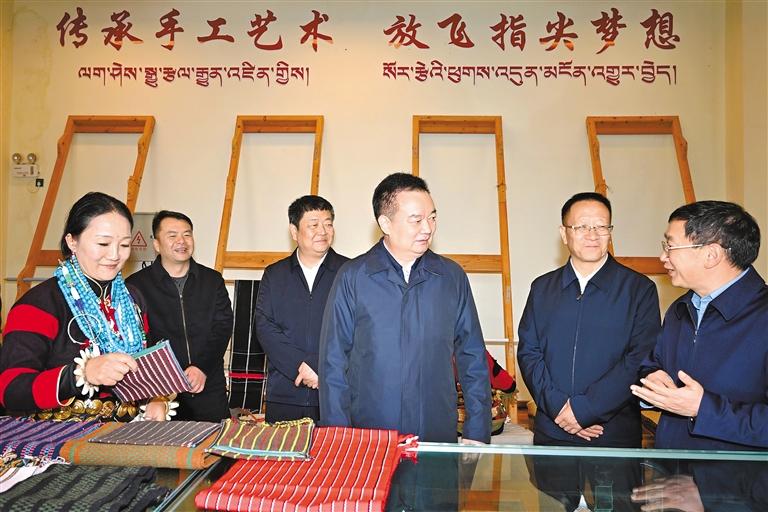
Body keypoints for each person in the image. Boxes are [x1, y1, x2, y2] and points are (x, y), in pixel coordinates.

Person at [319, 172, 491, 444]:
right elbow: (333, 362)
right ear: (385, 223)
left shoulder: (450, 277)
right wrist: (338, 438)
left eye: (432, 218)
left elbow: (472, 355)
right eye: (416, 220)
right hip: (371, 436)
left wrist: (478, 429)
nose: (428, 228)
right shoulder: (354, 277)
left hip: (436, 431)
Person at [0, 192, 168, 421]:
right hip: (58, 436)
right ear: (72, 241)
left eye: (124, 244)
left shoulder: (132, 299)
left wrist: (155, 398)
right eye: (103, 243)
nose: (115, 255)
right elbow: (11, 389)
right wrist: (81, 374)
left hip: (124, 432)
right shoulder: (40, 304)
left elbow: (145, 364)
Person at [518, 192, 661, 447]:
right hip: (553, 428)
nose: (592, 235)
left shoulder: (639, 289)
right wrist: (559, 408)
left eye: (601, 226)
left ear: (610, 232)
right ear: (564, 234)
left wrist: (585, 411)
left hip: (612, 433)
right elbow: (529, 352)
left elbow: (639, 358)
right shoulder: (542, 288)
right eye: (582, 226)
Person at [632, 200, 768, 450]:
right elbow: (653, 362)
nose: (663, 257)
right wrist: (652, 377)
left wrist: (702, 409)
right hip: (672, 467)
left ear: (711, 254)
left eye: (670, 246)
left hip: (736, 474)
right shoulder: (680, 309)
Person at [126, 210, 233, 422]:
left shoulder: (212, 280)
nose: (181, 241)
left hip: (208, 385)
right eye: (172, 235)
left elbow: (222, 327)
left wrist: (201, 367)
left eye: (187, 234)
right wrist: (159, 387)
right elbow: (137, 341)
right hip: (159, 392)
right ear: (157, 244)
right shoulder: (136, 286)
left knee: (216, 441)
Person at [254, 195, 348, 423]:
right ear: (294, 231)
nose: (323, 231)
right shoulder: (275, 274)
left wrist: (318, 366)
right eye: (314, 225)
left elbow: (357, 330)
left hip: (334, 392)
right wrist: (300, 366)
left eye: (328, 224)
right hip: (285, 392)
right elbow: (265, 328)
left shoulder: (349, 272)